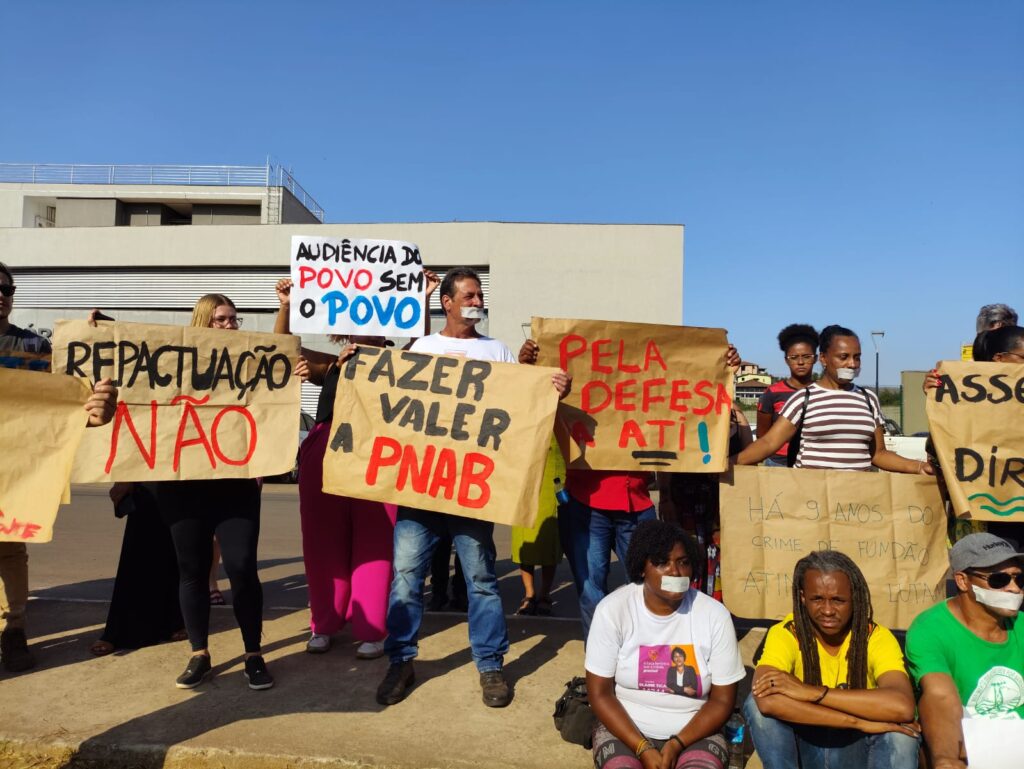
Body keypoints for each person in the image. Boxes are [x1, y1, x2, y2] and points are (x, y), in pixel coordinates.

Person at [375, 267, 570, 709]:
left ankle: (489, 665)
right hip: (420, 488)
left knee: (481, 579)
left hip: (472, 490)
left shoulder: (496, 350)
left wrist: (551, 388)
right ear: (446, 301)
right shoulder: (422, 347)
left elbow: (519, 406)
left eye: (479, 293)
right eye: (469, 293)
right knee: (406, 578)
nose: (477, 299)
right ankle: (401, 660)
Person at [520, 338, 742, 641]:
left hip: (638, 505)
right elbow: (530, 409)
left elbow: (688, 419)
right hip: (587, 503)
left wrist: (722, 368)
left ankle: (643, 656)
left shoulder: (649, 398)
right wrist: (530, 368)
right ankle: (601, 659)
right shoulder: (570, 396)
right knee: (590, 589)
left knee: (648, 586)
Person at [273, 276, 440, 659]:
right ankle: (325, 623)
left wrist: (424, 300)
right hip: (325, 456)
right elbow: (282, 349)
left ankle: (371, 628)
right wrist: (286, 305)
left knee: (375, 542)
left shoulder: (400, 361)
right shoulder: (331, 363)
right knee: (322, 541)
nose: (368, 329)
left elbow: (423, 349)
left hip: (379, 457)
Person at [0, 261, 118, 672]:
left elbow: (70, 392)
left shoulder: (35, 348)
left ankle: (12, 629)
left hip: (15, 470)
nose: (0, 295)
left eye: (7, 289)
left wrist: (86, 340)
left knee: (10, 549)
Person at [154, 294, 275, 690]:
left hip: (235, 484)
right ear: (203, 322)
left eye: (234, 321)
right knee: (191, 571)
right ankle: (199, 653)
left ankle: (253, 654)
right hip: (185, 483)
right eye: (221, 320)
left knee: (241, 568)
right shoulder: (175, 362)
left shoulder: (249, 362)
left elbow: (277, 377)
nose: (229, 327)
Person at [585, 519, 745, 769]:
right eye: (662, 563)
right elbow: (599, 693)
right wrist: (642, 747)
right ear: (641, 569)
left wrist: (677, 743)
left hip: (695, 732)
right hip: (626, 731)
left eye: (683, 562)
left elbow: (722, 701)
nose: (675, 572)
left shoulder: (714, 615)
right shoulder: (613, 610)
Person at [744, 550, 920, 769]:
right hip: (809, 744)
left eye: (838, 600)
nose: (827, 610)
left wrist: (813, 692)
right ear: (802, 597)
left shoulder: (875, 636)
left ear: (854, 598)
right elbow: (764, 699)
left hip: (856, 749)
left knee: (902, 732)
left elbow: (901, 705)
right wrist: (857, 722)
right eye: (817, 599)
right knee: (755, 705)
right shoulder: (787, 633)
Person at [736, 324, 934, 475]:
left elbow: (879, 454)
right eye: (844, 357)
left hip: (858, 505)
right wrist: (727, 464)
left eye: (857, 357)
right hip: (812, 502)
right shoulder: (803, 399)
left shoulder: (868, 399)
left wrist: (917, 467)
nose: (852, 363)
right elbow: (769, 443)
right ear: (823, 358)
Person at [906, 533, 1024, 769]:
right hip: (963, 743)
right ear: (962, 581)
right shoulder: (930, 629)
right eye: (999, 580)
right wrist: (947, 759)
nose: (1014, 589)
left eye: (1019, 579)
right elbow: (940, 697)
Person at [90, 482, 186, 655]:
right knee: (138, 548)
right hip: (146, 473)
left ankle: (175, 620)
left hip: (181, 476)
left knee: (173, 548)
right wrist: (126, 477)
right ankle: (117, 630)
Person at [510, 438, 564, 616]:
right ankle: (529, 594)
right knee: (524, 539)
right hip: (524, 474)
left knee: (550, 538)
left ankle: (545, 594)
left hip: (553, 473)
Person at [756, 324, 818, 467]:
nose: (801, 362)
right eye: (794, 357)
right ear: (786, 360)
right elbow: (762, 435)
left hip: (812, 464)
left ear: (815, 358)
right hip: (777, 463)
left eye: (807, 357)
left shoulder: (823, 392)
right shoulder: (772, 393)